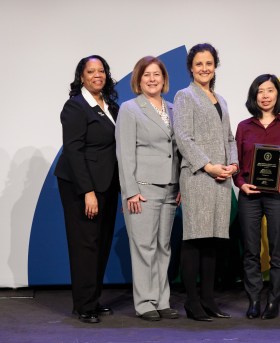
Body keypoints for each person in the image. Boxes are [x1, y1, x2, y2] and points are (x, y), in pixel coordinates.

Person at [173, 43, 238, 321]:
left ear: (215, 66)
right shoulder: (185, 96)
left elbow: (229, 139)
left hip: (222, 179)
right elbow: (183, 138)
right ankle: (192, 301)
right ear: (191, 67)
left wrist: (233, 164)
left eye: (209, 63)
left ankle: (209, 299)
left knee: (212, 240)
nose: (204, 68)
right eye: (199, 64)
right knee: (195, 239)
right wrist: (209, 166)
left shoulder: (220, 99)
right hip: (199, 177)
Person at [54, 55, 120, 323]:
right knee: (85, 244)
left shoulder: (111, 106)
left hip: (107, 183)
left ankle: (92, 298)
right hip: (81, 186)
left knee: (101, 242)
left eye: (101, 71)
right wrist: (87, 192)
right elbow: (73, 151)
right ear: (81, 76)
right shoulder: (75, 106)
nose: (97, 75)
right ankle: (83, 305)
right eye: (91, 71)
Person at [115, 56, 181, 321]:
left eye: (157, 74)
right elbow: (124, 152)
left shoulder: (175, 108)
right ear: (138, 80)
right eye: (147, 75)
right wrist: (130, 190)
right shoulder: (130, 109)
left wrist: (181, 186)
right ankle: (145, 303)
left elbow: (178, 150)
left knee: (163, 246)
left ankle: (162, 300)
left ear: (164, 79)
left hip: (170, 187)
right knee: (144, 247)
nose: (152, 79)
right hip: (142, 188)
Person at [233, 74, 280, 320]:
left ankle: (274, 301)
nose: (266, 95)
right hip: (250, 193)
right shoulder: (243, 127)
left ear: (277, 94)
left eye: (270, 90)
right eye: (260, 91)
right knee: (250, 250)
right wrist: (240, 183)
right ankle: (254, 300)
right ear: (254, 96)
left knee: (277, 250)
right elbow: (235, 162)